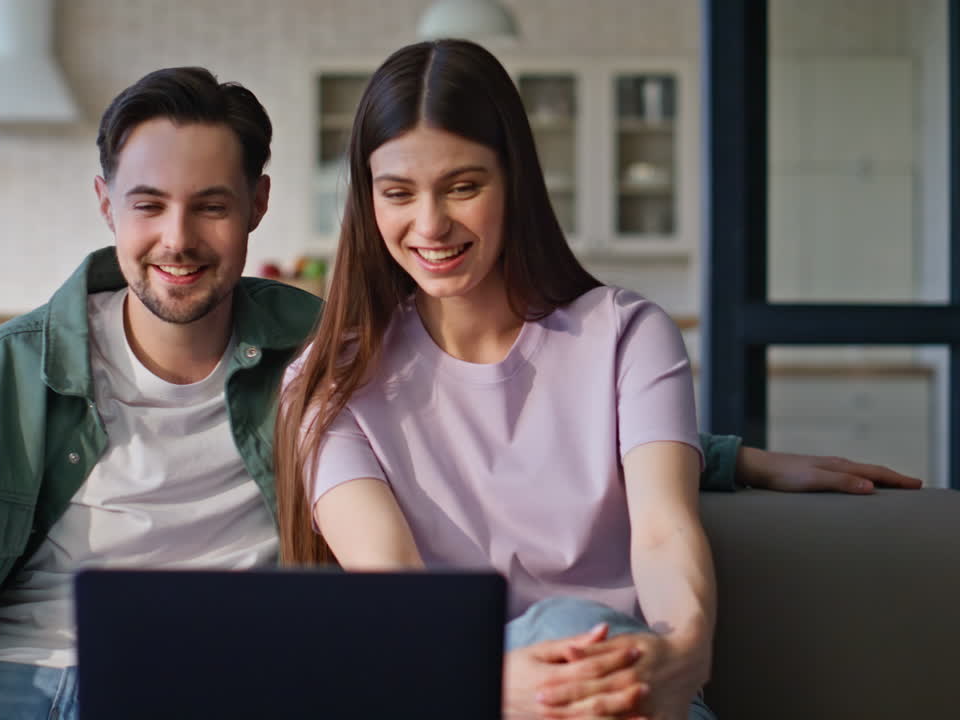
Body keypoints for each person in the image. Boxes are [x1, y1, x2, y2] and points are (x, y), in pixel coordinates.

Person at [0, 64, 919, 720]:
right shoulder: (14, 387)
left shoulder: (314, 353)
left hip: (217, 695)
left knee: (572, 643)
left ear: (259, 208)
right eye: (148, 206)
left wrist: (724, 467)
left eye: (210, 206)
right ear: (105, 204)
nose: (177, 239)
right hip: (8, 689)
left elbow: (575, 440)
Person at [272, 39, 920, 720]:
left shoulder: (625, 336)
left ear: (514, 181)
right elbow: (392, 586)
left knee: (574, 633)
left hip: (631, 686)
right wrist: (489, 680)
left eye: (464, 186)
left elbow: (664, 533)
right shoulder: (328, 381)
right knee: (557, 633)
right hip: (452, 687)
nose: (430, 224)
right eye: (398, 193)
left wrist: (688, 651)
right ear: (367, 200)